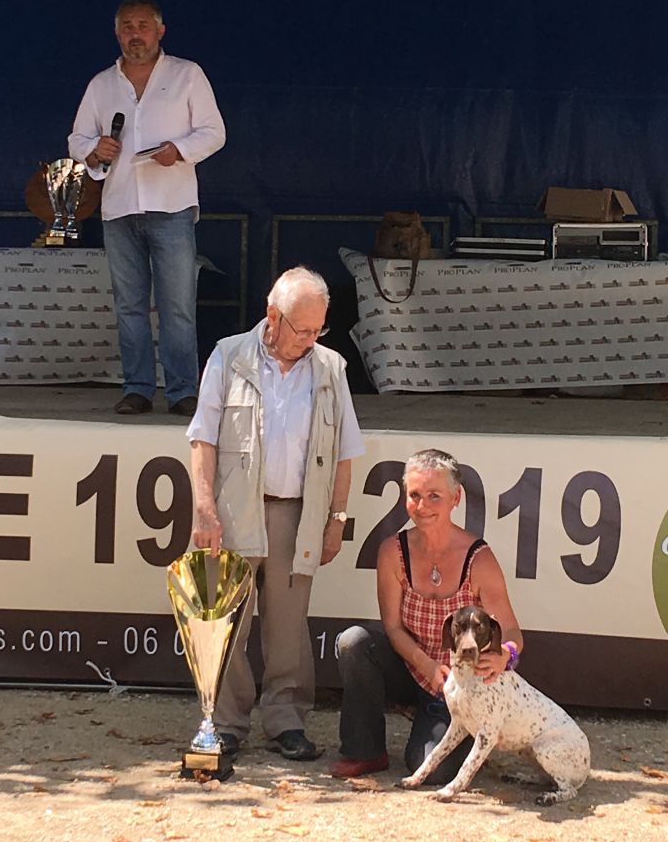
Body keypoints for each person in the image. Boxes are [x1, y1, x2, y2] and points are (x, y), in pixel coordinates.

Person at [187, 266, 365, 761]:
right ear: (273, 315)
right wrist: (204, 508)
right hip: (233, 512)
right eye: (303, 329)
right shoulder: (228, 356)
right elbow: (201, 438)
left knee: (288, 629)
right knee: (226, 623)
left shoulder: (331, 368)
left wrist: (338, 518)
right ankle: (225, 724)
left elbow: (346, 451)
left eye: (318, 330)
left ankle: (286, 721)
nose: (310, 340)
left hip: (297, 515)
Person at [68, 0, 225, 416]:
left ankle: (182, 391)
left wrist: (180, 150)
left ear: (160, 31)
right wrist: (95, 150)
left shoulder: (186, 74)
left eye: (142, 26)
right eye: (126, 27)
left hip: (170, 204)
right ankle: (138, 387)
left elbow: (214, 132)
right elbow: (77, 140)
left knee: (176, 304)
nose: (135, 34)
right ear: (117, 34)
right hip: (119, 206)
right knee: (130, 305)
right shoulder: (102, 84)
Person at [330, 448, 523, 781]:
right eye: (415, 496)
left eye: (435, 496)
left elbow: (511, 631)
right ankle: (365, 751)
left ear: (455, 498)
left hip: (461, 686)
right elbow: (392, 627)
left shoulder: (479, 558)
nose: (422, 507)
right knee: (354, 643)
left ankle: (463, 734)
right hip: (414, 670)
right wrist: (428, 666)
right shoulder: (393, 550)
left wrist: (507, 655)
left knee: (431, 772)